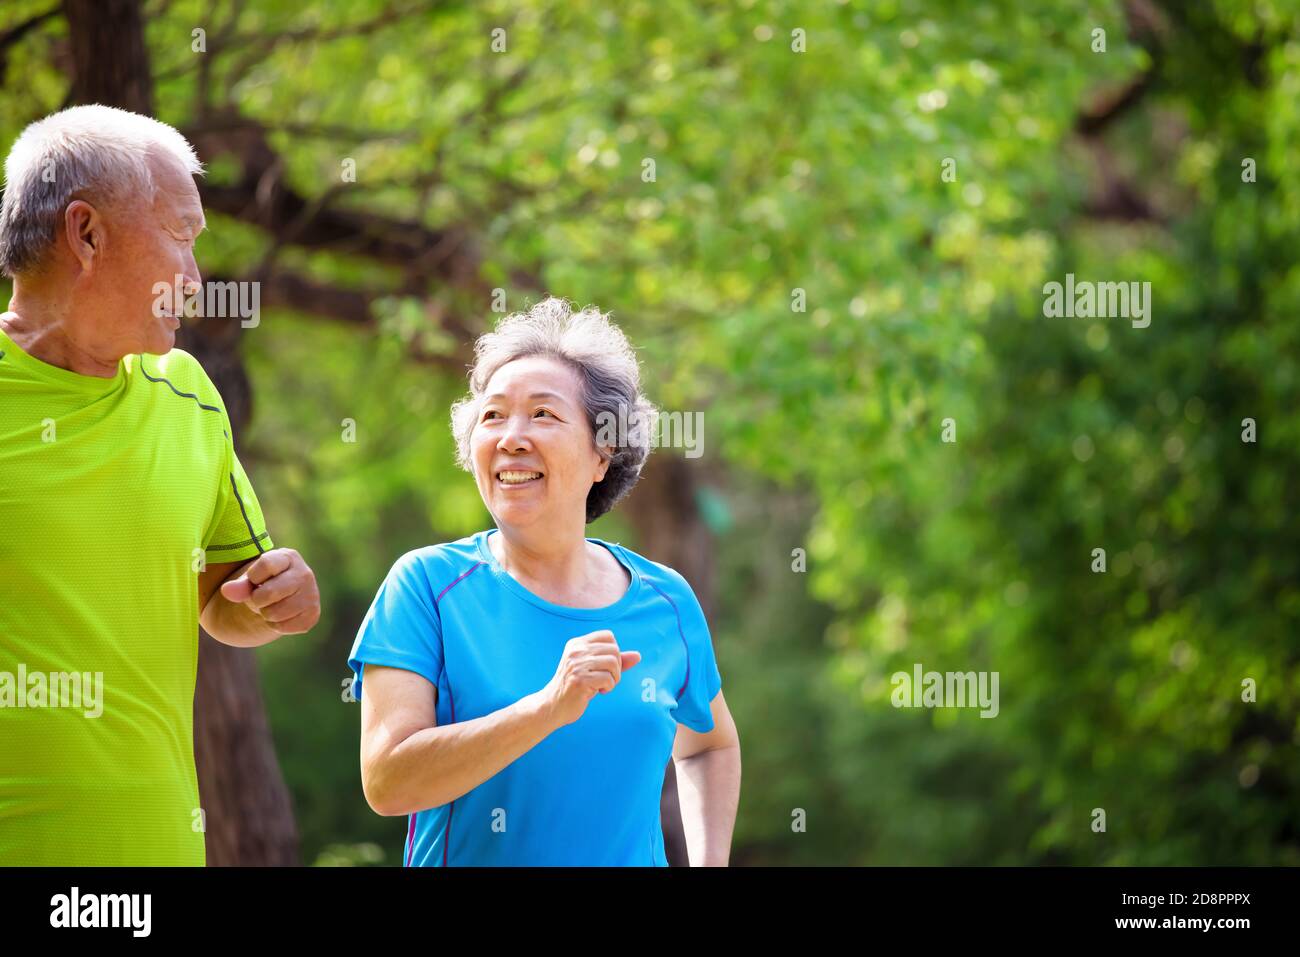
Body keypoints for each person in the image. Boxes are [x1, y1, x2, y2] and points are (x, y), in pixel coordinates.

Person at [0, 105, 320, 865]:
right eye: (181, 235)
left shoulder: (188, 393)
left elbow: (224, 598)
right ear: (86, 234)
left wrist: (276, 596)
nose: (195, 277)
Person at [349, 297, 741, 865]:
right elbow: (388, 780)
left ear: (602, 453)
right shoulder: (426, 587)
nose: (511, 437)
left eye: (543, 414)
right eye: (492, 416)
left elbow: (709, 745)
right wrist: (548, 707)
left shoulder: (665, 600)